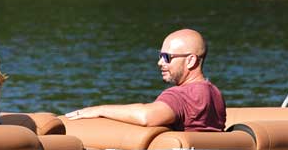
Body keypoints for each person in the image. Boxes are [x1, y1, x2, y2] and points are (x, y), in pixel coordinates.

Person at [64, 28, 225, 132]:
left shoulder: (180, 96)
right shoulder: (215, 94)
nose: (160, 62)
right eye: (160, 56)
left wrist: (98, 110)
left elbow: (147, 117)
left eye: (167, 57)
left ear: (190, 60)